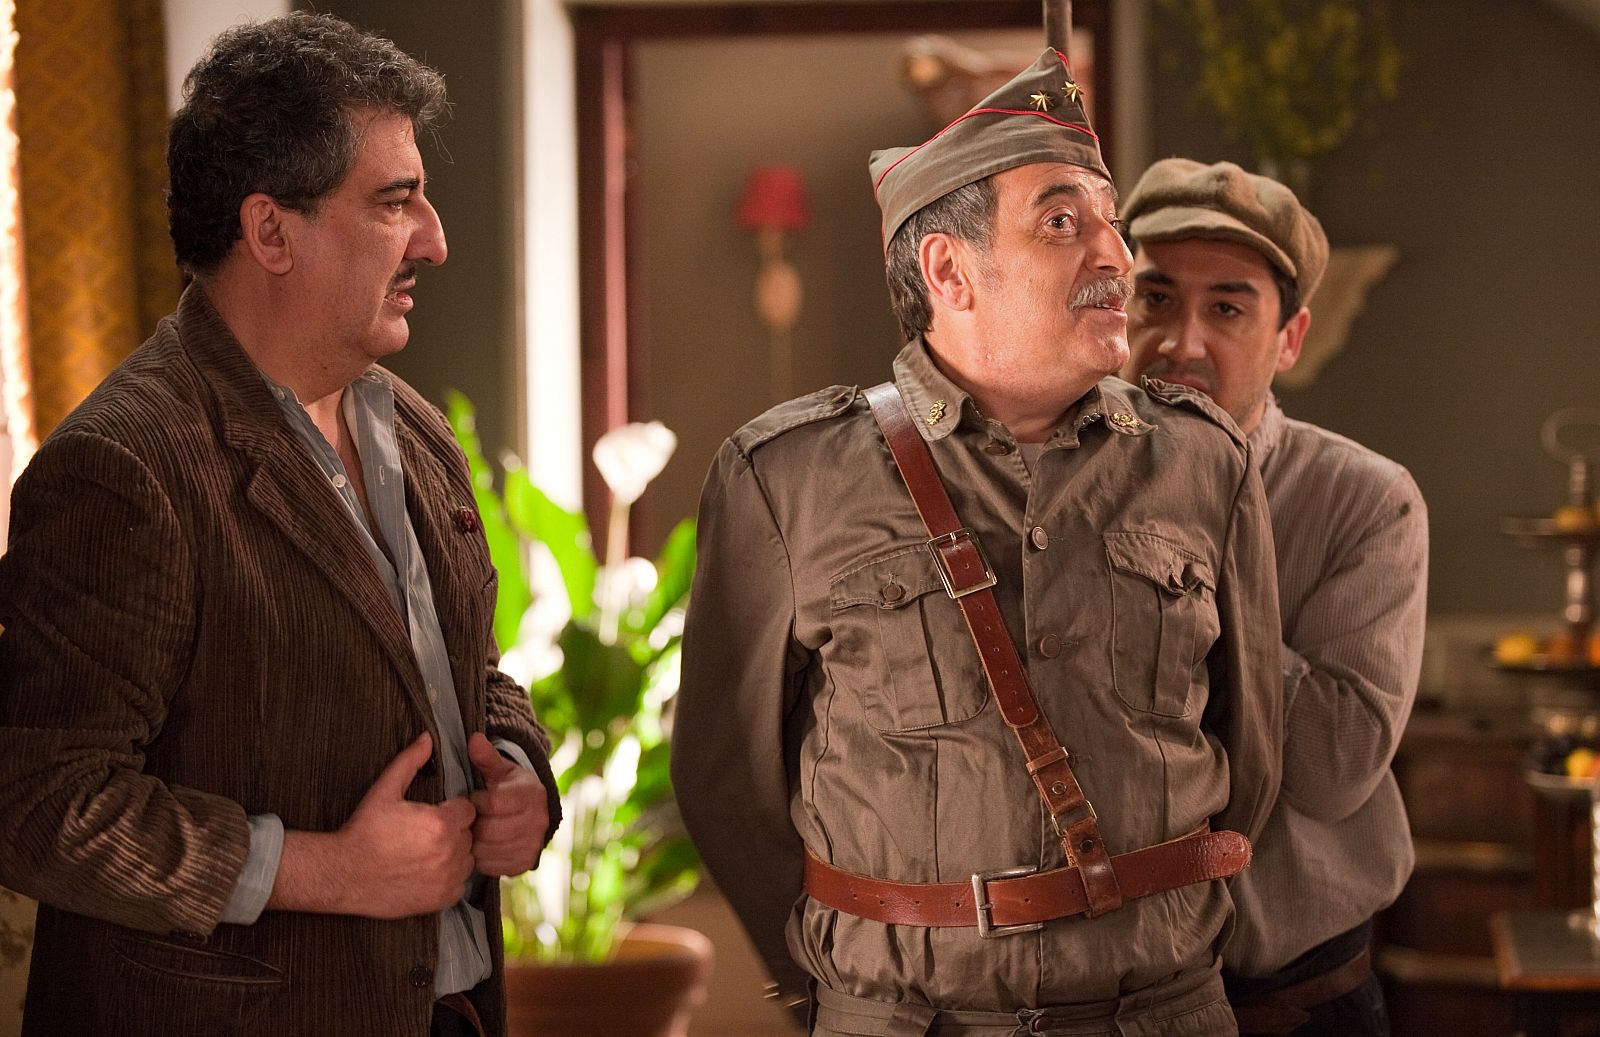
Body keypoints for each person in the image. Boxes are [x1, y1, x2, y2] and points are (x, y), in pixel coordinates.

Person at [674, 51, 1284, 1037]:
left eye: (1109, 220)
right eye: (1061, 220)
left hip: (1159, 1014)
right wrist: (842, 993)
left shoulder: (1205, 462)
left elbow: (1250, 761)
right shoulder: (785, 475)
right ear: (948, 270)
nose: (1116, 256)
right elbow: (725, 780)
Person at [0, 14, 560, 1037]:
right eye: (396, 202)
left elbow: (466, 674)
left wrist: (520, 775)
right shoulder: (123, 468)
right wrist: (324, 870)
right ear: (270, 232)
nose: (436, 237)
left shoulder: (414, 428)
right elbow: (38, 798)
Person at [1119, 158, 1428, 1036]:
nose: (1181, 342)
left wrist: (1192, 564)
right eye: (1156, 298)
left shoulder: (1369, 500)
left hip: (1300, 1004)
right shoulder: (1046, 497)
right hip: (1108, 1002)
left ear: (1288, 338)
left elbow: (1336, 767)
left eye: (1227, 307)